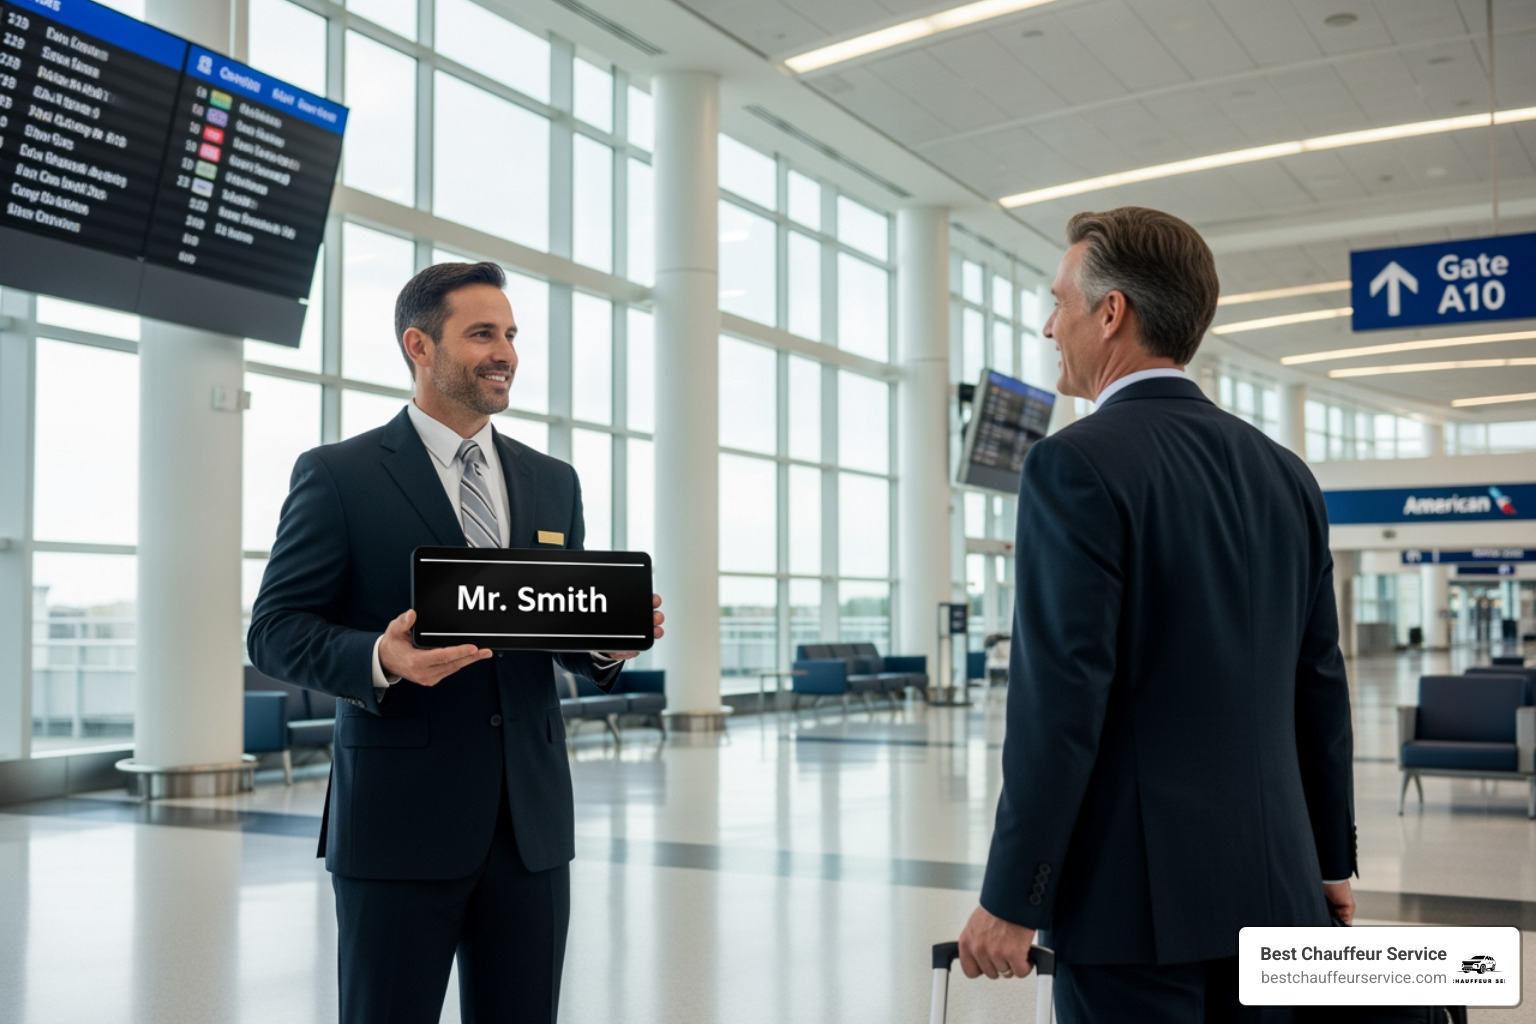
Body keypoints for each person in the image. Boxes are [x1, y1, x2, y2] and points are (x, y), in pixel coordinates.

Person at [956, 208, 1355, 1023]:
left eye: (1060, 300)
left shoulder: (1074, 465)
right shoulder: (1286, 475)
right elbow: (1318, 684)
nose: (1047, 323)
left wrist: (1014, 896)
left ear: (1112, 314)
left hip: (1133, 908)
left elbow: (1061, 705)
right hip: (1280, 892)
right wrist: (1330, 862)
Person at [247, 261, 663, 1024]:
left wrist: (606, 643)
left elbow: (552, 632)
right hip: (398, 826)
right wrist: (381, 657)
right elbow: (273, 630)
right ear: (420, 346)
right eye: (482, 333)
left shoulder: (553, 482)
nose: (504, 350)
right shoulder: (340, 476)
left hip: (529, 828)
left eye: (509, 334)